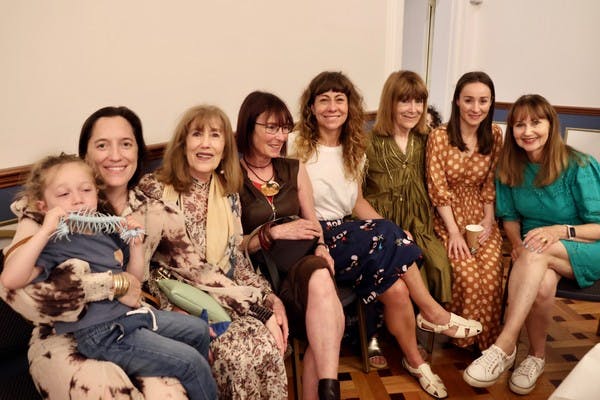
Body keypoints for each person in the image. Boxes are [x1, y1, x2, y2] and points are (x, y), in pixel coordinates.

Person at [289, 71, 484, 399]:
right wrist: (390, 233)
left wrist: (393, 232)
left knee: (395, 288)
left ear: (350, 107)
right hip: (312, 235)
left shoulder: (354, 148)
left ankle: (415, 361)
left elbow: (357, 202)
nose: (332, 107)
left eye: (340, 100)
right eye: (324, 100)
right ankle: (434, 314)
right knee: (391, 237)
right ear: (311, 107)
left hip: (345, 229)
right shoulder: (296, 144)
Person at [0, 105, 188, 399]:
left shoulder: (153, 211)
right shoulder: (46, 210)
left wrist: (261, 304)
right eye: (102, 145)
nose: (115, 155)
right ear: (86, 154)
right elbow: (22, 295)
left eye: (126, 144)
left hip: (130, 323)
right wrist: (113, 285)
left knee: (172, 393)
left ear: (138, 151)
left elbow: (196, 271)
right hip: (62, 338)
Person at [135, 104, 289, 399]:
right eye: (197, 134)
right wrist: (170, 313)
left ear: (225, 147)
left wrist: (269, 298)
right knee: (232, 352)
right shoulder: (153, 189)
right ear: (183, 143)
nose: (206, 144)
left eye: (215, 135)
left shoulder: (229, 194)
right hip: (178, 300)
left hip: (226, 295)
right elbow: (140, 270)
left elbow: (238, 262)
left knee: (266, 342)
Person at [464, 94, 600, 394]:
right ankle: (536, 357)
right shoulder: (510, 167)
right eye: (519, 124)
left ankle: (505, 345)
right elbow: (510, 217)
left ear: (551, 124)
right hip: (535, 251)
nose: (527, 131)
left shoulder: (579, 164)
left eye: (536, 122)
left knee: (536, 252)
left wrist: (560, 231)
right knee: (540, 284)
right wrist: (515, 242)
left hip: (584, 244)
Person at [236, 91, 344, 400]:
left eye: (284, 128)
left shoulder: (293, 169)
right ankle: (328, 390)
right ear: (248, 127)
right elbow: (235, 245)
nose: (280, 136)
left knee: (321, 272)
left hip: (305, 264)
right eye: (271, 127)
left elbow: (313, 223)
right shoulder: (231, 176)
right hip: (265, 276)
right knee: (328, 317)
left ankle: (328, 391)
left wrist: (322, 247)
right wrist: (273, 233)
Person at [425, 71, 504, 351]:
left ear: (491, 103)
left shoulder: (495, 134)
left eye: (483, 101)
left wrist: (488, 219)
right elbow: (437, 189)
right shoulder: (439, 137)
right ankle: (464, 338)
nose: (476, 108)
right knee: (468, 275)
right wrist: (454, 233)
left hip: (481, 214)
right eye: (469, 100)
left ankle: (488, 344)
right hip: (448, 217)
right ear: (457, 101)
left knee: (492, 273)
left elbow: (491, 184)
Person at [364, 70, 452, 305]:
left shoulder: (427, 140)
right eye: (404, 101)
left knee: (439, 264)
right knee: (404, 275)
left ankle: (430, 321)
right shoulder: (368, 142)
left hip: (419, 223)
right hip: (383, 224)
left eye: (419, 101)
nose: (413, 109)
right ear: (389, 103)